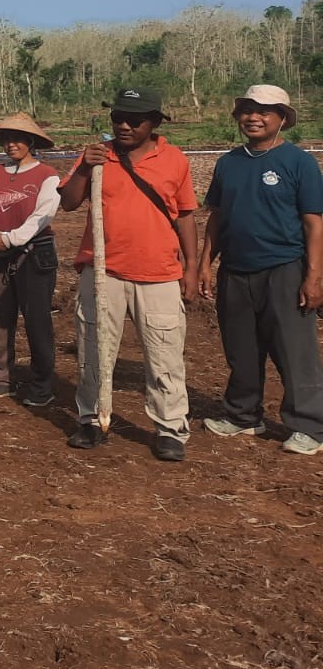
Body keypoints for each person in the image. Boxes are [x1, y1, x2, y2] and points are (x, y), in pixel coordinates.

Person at [60, 88, 198, 461]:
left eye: (134, 120)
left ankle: (170, 428)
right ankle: (91, 419)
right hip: (104, 272)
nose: (123, 125)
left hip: (159, 274)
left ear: (154, 123)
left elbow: (185, 216)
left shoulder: (174, 161)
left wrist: (192, 268)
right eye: (118, 117)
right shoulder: (98, 156)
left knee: (165, 354)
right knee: (94, 348)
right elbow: (69, 201)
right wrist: (87, 167)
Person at [198, 85, 323, 455]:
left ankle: (310, 426)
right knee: (241, 348)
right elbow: (216, 217)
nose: (253, 117)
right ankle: (242, 415)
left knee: (294, 350)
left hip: (283, 268)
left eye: (264, 111)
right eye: (247, 111)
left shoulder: (299, 163)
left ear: (281, 118)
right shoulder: (228, 163)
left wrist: (314, 276)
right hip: (235, 270)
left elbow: (314, 223)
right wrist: (206, 262)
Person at [0, 112, 61, 405]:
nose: (11, 145)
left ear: (31, 142)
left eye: (18, 139)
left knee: (36, 319)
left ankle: (41, 385)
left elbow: (43, 215)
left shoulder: (47, 176)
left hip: (34, 253)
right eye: (6, 139)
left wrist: (9, 239)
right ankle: (1, 379)